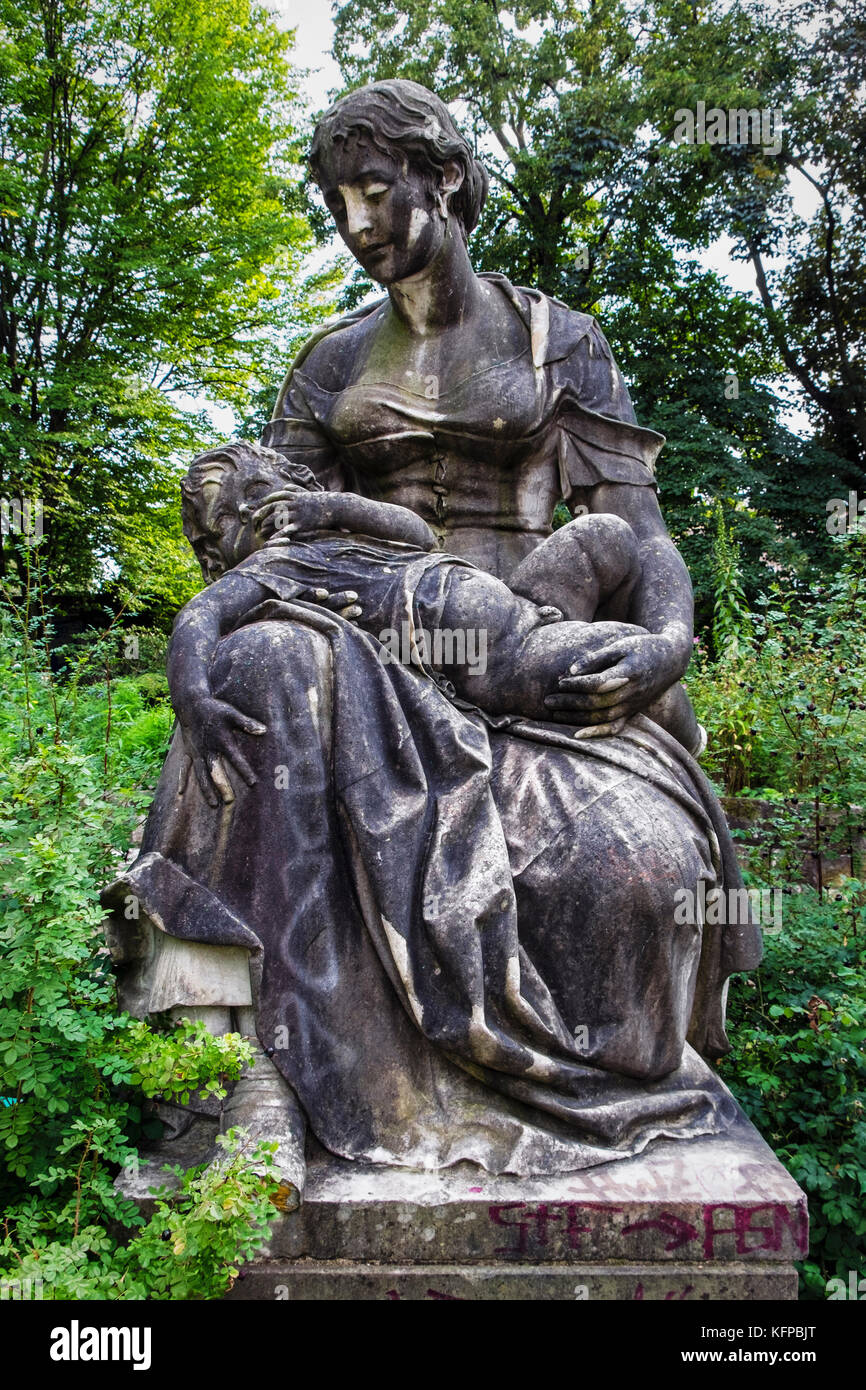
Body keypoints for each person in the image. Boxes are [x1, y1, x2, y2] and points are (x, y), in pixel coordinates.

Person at [104, 79, 760, 1195]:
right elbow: (269, 551)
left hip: (536, 643)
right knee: (263, 661)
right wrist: (207, 626)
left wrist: (663, 647)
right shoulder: (325, 365)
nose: (356, 225)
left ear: (442, 176)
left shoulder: (560, 340)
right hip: (371, 641)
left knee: (628, 877)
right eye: (336, 204)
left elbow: (636, 539)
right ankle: (251, 1068)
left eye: (373, 191)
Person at [170, 440, 703, 806]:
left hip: (521, 600)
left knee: (604, 531)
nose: (257, 513)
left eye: (262, 492)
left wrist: (331, 509)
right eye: (227, 522)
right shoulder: (274, 568)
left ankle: (664, 702)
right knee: (615, 657)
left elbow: (419, 534)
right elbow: (199, 615)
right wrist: (194, 699)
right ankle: (688, 738)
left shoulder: (348, 531)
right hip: (498, 657)